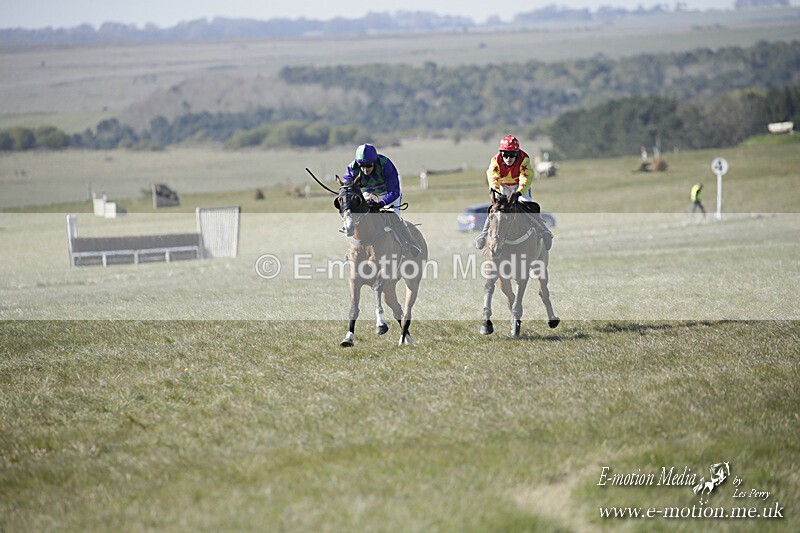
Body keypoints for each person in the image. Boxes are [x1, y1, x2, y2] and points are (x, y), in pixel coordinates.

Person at [341, 143, 421, 257]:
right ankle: (352, 249)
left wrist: (381, 204)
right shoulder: (352, 168)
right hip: (367, 193)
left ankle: (410, 243)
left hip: (388, 194)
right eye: (362, 165)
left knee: (393, 216)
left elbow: (394, 192)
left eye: (368, 165)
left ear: (374, 161)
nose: (365, 169)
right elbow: (346, 187)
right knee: (356, 218)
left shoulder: (385, 165)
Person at [475, 135, 553, 250]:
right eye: (505, 155)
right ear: (501, 154)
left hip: (519, 185)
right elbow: (493, 177)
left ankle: (544, 230)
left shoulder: (524, 159)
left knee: (528, 204)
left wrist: (519, 192)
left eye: (512, 155)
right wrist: (497, 191)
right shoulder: (495, 161)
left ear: (517, 153)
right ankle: (483, 234)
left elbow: (526, 177)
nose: (508, 158)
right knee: (496, 208)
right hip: (503, 185)